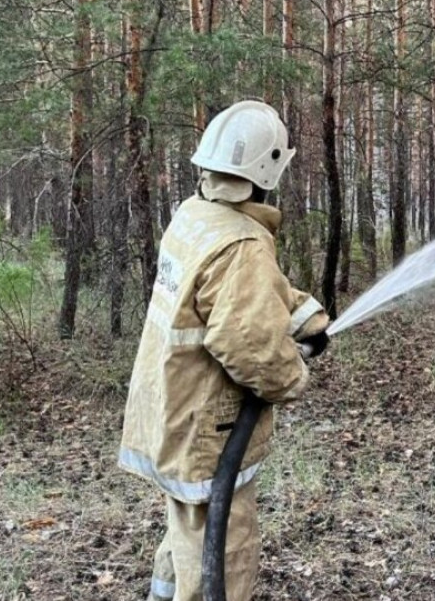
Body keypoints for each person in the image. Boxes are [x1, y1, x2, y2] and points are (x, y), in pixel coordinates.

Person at [119, 100, 330, 601]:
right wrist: (293, 376)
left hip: (169, 407)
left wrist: (308, 319)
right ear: (267, 168)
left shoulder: (199, 218)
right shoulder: (242, 244)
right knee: (224, 549)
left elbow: (249, 294)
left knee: (187, 533)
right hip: (206, 427)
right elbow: (248, 341)